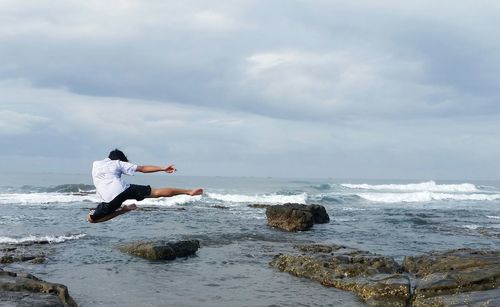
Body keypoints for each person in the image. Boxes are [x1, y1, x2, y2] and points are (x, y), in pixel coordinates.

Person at [86, 149, 203, 223]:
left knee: (91, 219)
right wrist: (162, 168)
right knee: (156, 193)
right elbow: (143, 169)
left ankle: (124, 210)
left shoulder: (95, 164)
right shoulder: (118, 163)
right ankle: (189, 191)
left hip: (108, 199)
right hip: (123, 189)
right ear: (120, 159)